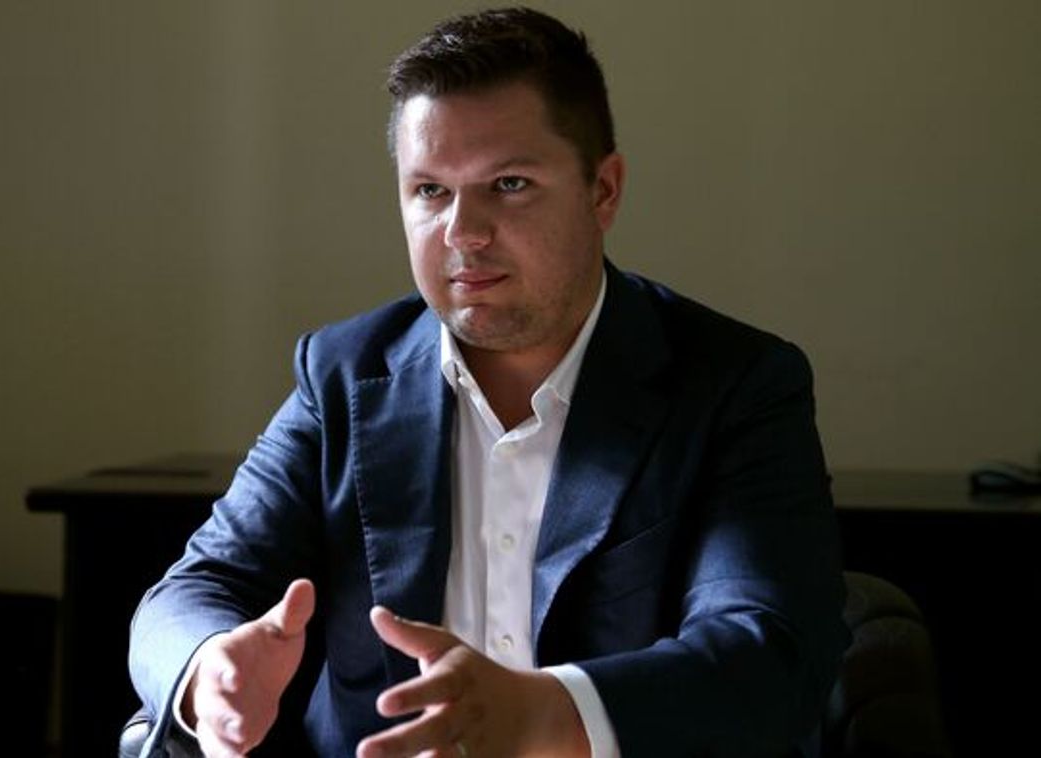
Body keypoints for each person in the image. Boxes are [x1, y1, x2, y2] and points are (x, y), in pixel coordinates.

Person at [129, 7, 848, 757]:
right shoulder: (343, 374)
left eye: (508, 184)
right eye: (429, 191)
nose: (462, 233)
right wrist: (209, 668)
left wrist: (548, 713)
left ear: (603, 189)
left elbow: (771, 653)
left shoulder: (736, 384)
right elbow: (192, 591)